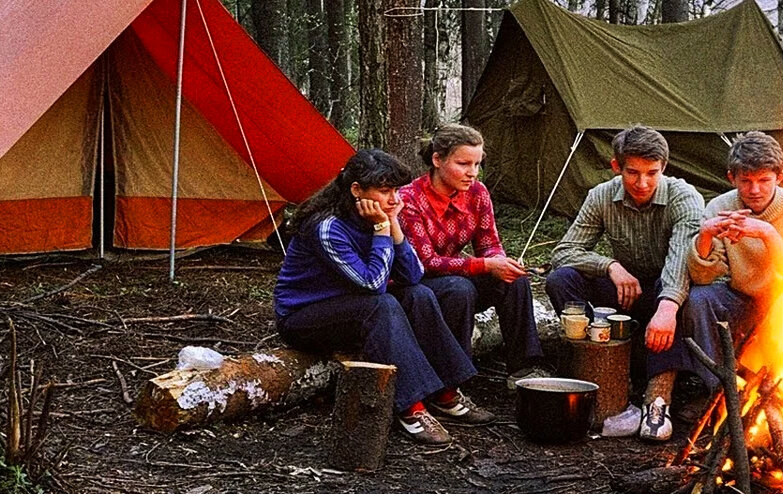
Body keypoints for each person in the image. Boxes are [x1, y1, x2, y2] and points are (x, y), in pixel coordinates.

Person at [274, 149, 494, 446]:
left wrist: (395, 228)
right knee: (381, 305)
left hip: (353, 306)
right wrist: (382, 231)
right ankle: (411, 407)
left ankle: (444, 392)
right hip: (304, 317)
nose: (393, 199)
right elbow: (372, 285)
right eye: (384, 191)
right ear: (356, 190)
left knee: (419, 294)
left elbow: (414, 275)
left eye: (395, 191)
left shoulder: (379, 214)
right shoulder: (327, 227)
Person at [546, 125, 704, 442]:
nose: (642, 183)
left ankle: (657, 399)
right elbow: (563, 252)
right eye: (633, 172)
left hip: (668, 291)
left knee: (677, 289)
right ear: (617, 167)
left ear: (664, 168)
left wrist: (667, 307)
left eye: (651, 173)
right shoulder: (602, 196)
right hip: (626, 291)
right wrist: (610, 265)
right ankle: (604, 375)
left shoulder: (683, 197)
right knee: (562, 280)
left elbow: (680, 261)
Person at [399, 124, 546, 389]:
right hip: (419, 285)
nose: (472, 173)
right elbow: (426, 262)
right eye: (464, 163)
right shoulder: (410, 198)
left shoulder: (477, 193)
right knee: (459, 289)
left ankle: (524, 368)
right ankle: (455, 378)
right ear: (437, 160)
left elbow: (488, 243)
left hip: (458, 275)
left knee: (514, 281)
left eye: (477, 164)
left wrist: (501, 262)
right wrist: (486, 264)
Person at [685, 131, 783, 385]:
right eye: (746, 181)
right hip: (741, 297)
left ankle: (781, 388)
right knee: (698, 299)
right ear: (732, 177)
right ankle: (719, 389)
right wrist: (705, 236)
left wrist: (768, 234)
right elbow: (701, 277)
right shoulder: (719, 207)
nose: (755, 190)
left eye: (764, 180)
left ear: (779, 177)